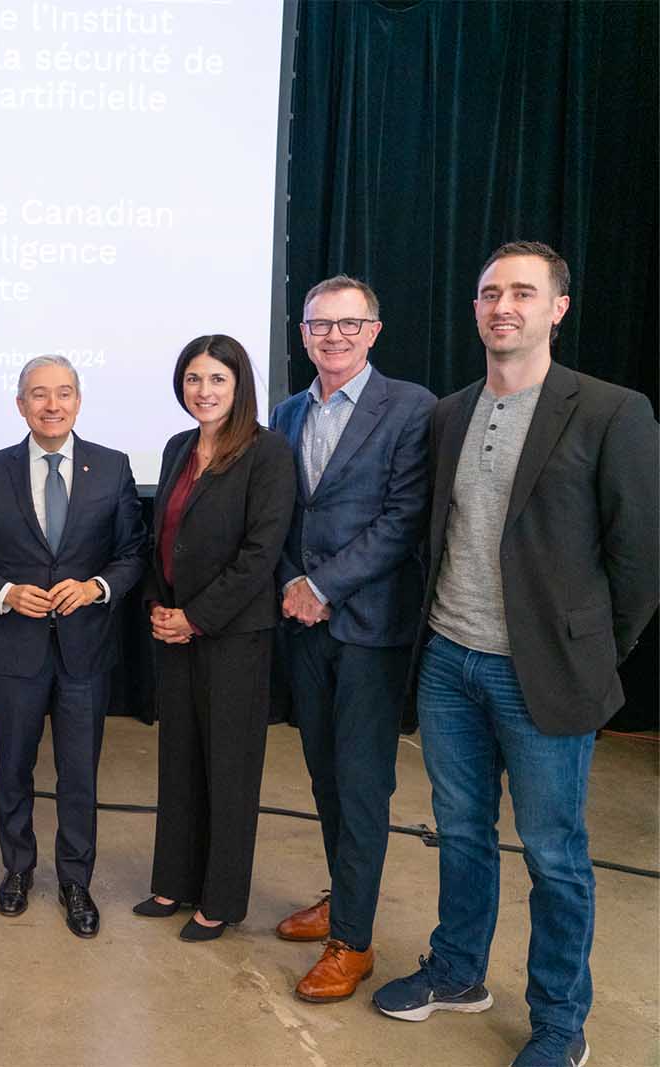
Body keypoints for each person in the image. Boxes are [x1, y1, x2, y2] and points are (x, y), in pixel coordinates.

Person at [372, 242, 658, 1067]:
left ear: (557, 308)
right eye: (490, 292)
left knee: (555, 854)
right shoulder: (451, 410)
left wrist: (590, 650)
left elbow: (641, 559)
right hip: (450, 661)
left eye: (523, 292)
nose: (504, 305)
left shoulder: (610, 410)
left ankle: (561, 1019)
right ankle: (459, 971)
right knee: (461, 831)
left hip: (545, 676)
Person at [270, 276, 435, 1002]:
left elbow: (402, 521)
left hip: (369, 628)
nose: (332, 336)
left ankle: (355, 942)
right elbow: (276, 513)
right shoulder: (286, 411)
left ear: (373, 330)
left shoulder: (411, 407)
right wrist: (287, 584)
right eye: (318, 325)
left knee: (363, 783)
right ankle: (344, 897)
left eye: (347, 324)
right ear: (302, 333)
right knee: (324, 774)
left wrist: (321, 586)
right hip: (304, 626)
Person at [0, 354, 147, 938]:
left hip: (86, 652)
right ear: (20, 405)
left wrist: (96, 587)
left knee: (79, 774)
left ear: (78, 401)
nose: (52, 405)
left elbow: (132, 553)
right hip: (15, 651)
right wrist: (6, 592)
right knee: (13, 768)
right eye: (39, 394)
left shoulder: (112, 468)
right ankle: (17, 870)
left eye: (63, 393)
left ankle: (75, 882)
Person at [137, 334, 296, 942]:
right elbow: (161, 537)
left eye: (217, 380)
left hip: (232, 634)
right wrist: (160, 604)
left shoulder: (267, 452)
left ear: (240, 386)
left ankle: (221, 900)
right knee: (178, 759)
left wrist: (196, 617)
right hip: (173, 628)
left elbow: (261, 553)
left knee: (228, 769)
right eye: (193, 379)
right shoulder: (180, 446)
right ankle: (173, 881)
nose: (203, 391)